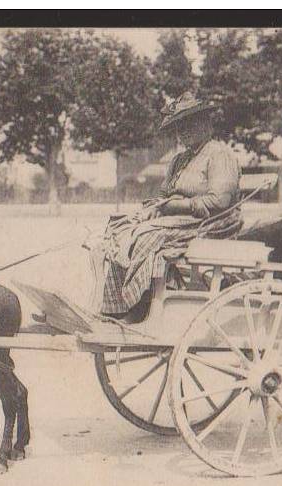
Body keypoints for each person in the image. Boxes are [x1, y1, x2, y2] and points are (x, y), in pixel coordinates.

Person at [89, 92, 241, 320]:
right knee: (119, 231)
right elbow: (164, 195)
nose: (182, 132)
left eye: (188, 124)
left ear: (205, 123)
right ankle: (113, 306)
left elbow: (220, 201)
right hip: (178, 219)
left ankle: (133, 308)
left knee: (145, 238)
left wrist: (176, 206)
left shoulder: (219, 155)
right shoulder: (180, 160)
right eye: (179, 127)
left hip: (210, 221)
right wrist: (155, 208)